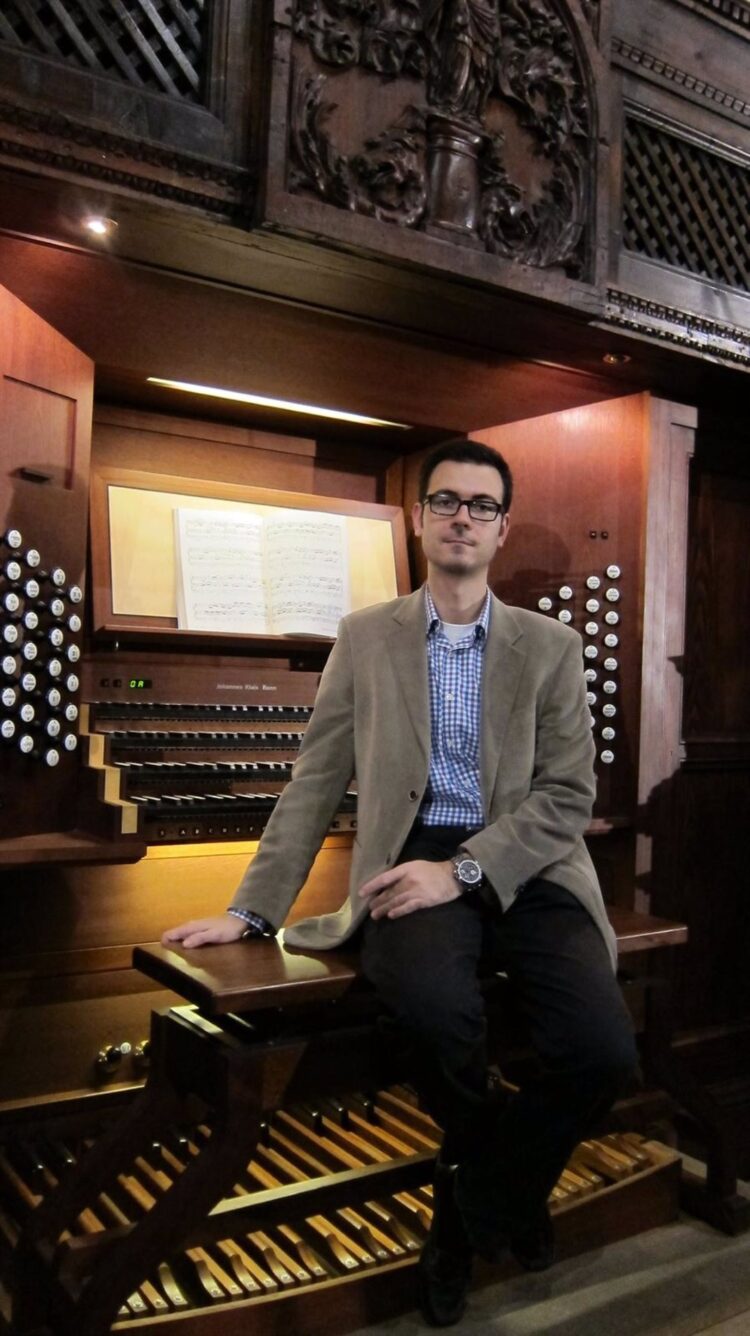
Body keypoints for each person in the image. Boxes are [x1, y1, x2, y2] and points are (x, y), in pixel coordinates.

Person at [163, 438, 637, 1327]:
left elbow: (568, 796)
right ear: (420, 519)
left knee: (604, 1051)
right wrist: (251, 909)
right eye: (446, 501)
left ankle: (470, 1202)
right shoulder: (365, 636)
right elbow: (315, 776)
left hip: (526, 864)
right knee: (428, 1009)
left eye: (482, 505)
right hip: (405, 859)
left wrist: (463, 871)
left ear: (500, 528)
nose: (463, 517)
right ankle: (506, 1184)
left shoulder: (550, 646)